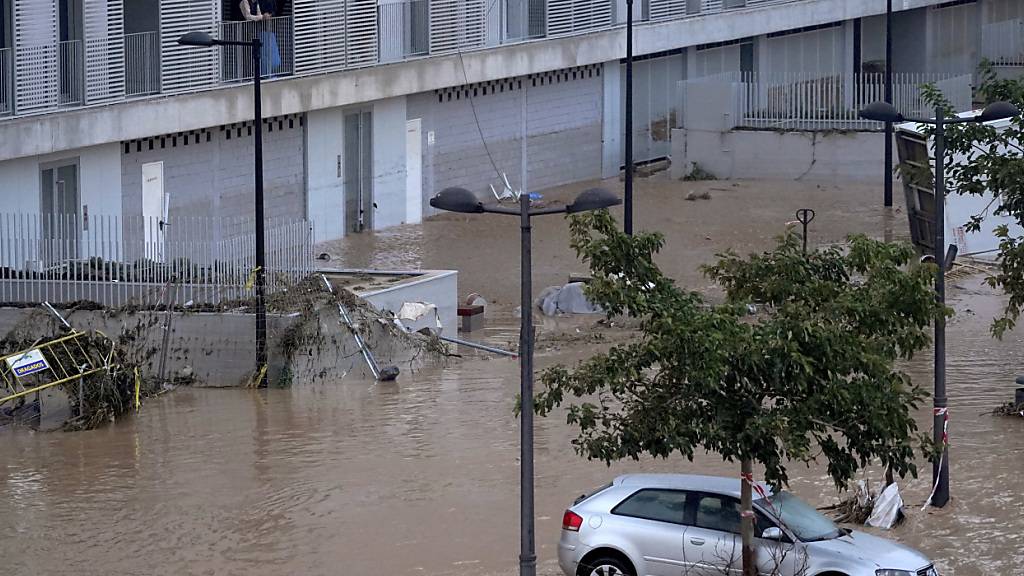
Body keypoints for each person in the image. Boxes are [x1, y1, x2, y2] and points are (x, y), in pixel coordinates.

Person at [239, 0, 282, 77]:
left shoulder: (256, 2)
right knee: (248, 54)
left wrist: (265, 16)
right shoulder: (245, 1)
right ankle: (248, 74)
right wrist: (262, 17)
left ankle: (262, 73)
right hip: (246, 31)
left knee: (260, 53)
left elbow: (259, 13)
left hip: (255, 31)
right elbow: (248, 16)